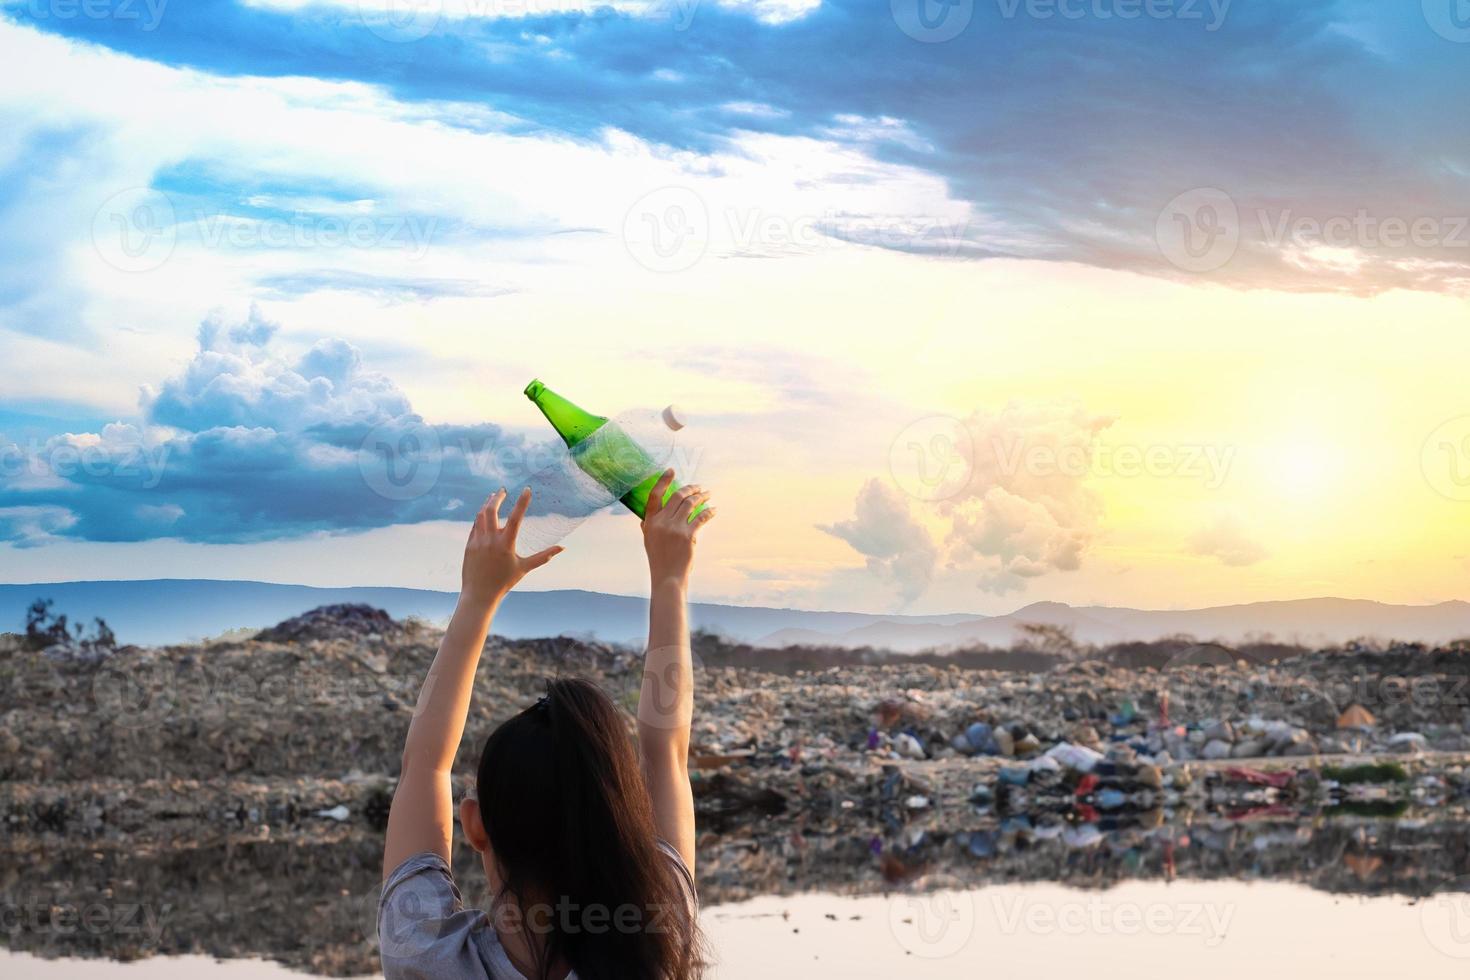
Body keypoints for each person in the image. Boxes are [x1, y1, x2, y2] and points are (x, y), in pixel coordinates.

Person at [379, 470, 715, 980]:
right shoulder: (658, 945)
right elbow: (666, 751)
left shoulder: (428, 957)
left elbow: (423, 769)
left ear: (473, 824)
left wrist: (477, 598)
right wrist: (671, 577)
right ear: (626, 819)